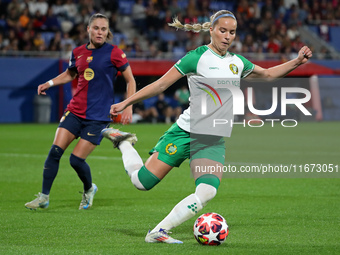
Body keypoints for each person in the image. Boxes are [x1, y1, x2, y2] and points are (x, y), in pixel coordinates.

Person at [101, 10, 312, 243]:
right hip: (185, 132)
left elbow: (268, 75)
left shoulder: (237, 62)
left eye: (232, 32)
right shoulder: (197, 57)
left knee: (208, 190)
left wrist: (297, 62)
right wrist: (126, 102)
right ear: (211, 30)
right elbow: (160, 85)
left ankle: (158, 231)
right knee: (141, 182)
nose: (227, 36)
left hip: (212, 139)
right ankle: (124, 142)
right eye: (222, 30)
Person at [25, 13, 136, 210]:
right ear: (88, 29)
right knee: (54, 152)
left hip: (98, 118)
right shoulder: (77, 52)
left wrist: (128, 105)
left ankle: (88, 189)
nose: (99, 32)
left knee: (76, 160)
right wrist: (49, 83)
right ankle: (43, 197)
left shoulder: (115, 53)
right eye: (96, 28)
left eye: (103, 29)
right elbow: (70, 73)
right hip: (75, 112)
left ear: (107, 32)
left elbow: (130, 80)